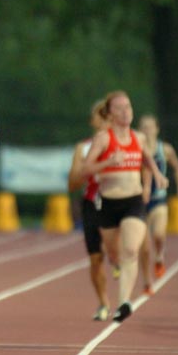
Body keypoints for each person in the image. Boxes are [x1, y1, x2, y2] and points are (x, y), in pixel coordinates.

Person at [80, 91, 168, 322]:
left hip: (133, 201)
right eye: (119, 108)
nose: (126, 111)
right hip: (109, 203)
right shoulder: (103, 138)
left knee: (130, 250)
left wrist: (157, 175)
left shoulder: (138, 137)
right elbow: (86, 169)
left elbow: (147, 158)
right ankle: (116, 264)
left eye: (128, 106)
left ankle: (124, 302)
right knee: (114, 253)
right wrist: (109, 162)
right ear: (110, 113)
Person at [67, 100, 112, 321]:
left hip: (118, 202)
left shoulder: (123, 144)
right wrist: (86, 170)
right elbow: (72, 184)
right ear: (94, 121)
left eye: (106, 115)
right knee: (96, 258)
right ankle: (103, 302)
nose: (102, 120)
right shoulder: (82, 148)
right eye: (98, 116)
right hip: (92, 203)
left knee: (117, 249)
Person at [137, 115, 178, 295]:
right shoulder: (135, 148)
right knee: (144, 245)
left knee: (158, 234)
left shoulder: (165, 149)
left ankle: (159, 256)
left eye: (150, 127)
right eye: (143, 127)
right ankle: (147, 281)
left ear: (157, 129)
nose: (147, 130)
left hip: (159, 198)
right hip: (140, 200)